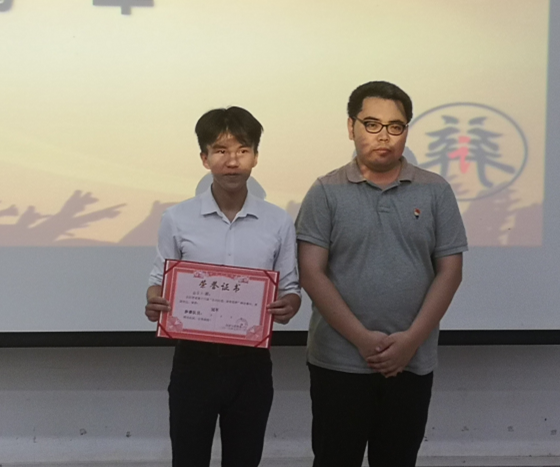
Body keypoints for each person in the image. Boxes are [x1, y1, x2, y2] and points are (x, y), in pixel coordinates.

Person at [296, 81, 468, 467]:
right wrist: (362, 340)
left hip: (411, 359)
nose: (384, 136)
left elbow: (450, 272)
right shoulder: (325, 191)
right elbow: (311, 272)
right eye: (372, 124)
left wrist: (410, 342)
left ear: (406, 130)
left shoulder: (436, 190)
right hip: (338, 361)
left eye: (395, 126)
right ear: (351, 127)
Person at [145, 106, 301, 467]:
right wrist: (155, 300)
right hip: (194, 362)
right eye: (220, 150)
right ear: (205, 158)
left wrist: (290, 304)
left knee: (244, 459)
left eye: (243, 150)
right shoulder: (177, 218)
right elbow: (158, 280)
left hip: (251, 365)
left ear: (256, 157)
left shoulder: (278, 221)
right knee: (188, 459)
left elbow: (291, 288)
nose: (232, 161)